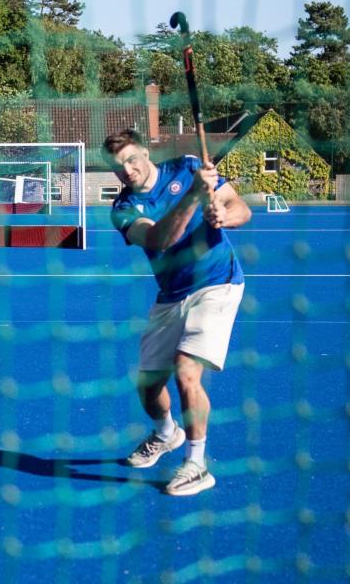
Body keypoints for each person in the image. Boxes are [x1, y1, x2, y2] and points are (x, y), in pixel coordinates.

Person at [102, 129, 252, 496]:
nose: (127, 170)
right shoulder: (123, 210)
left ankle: (197, 464)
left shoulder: (186, 167)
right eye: (117, 167)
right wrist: (194, 197)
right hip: (172, 294)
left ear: (146, 154)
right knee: (148, 385)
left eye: (132, 159)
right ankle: (168, 433)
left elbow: (241, 209)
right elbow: (159, 241)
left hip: (218, 282)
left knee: (187, 372)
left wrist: (221, 215)